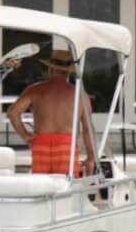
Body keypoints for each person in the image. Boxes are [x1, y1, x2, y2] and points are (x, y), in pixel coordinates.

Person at [6, 45, 96, 177]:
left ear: (50, 68)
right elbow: (88, 129)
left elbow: (13, 113)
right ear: (68, 71)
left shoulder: (35, 90)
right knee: (66, 187)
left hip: (41, 143)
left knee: (41, 187)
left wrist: (26, 136)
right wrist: (91, 157)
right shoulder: (79, 94)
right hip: (67, 145)